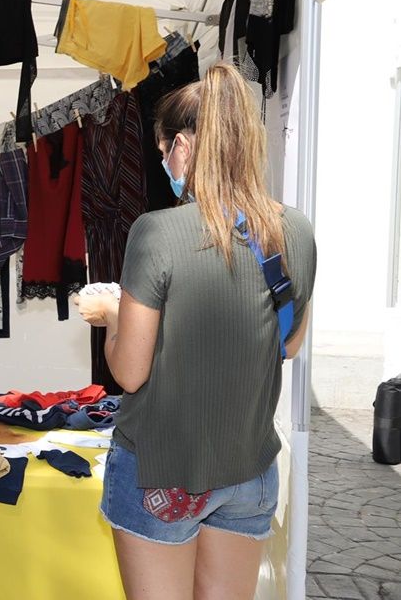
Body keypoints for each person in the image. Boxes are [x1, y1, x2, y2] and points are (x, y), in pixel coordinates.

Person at [76, 63, 316, 599]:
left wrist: (113, 317)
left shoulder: (156, 232)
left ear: (182, 145)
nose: (164, 163)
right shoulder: (294, 231)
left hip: (161, 470)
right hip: (248, 469)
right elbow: (288, 343)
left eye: (163, 152)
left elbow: (130, 373)